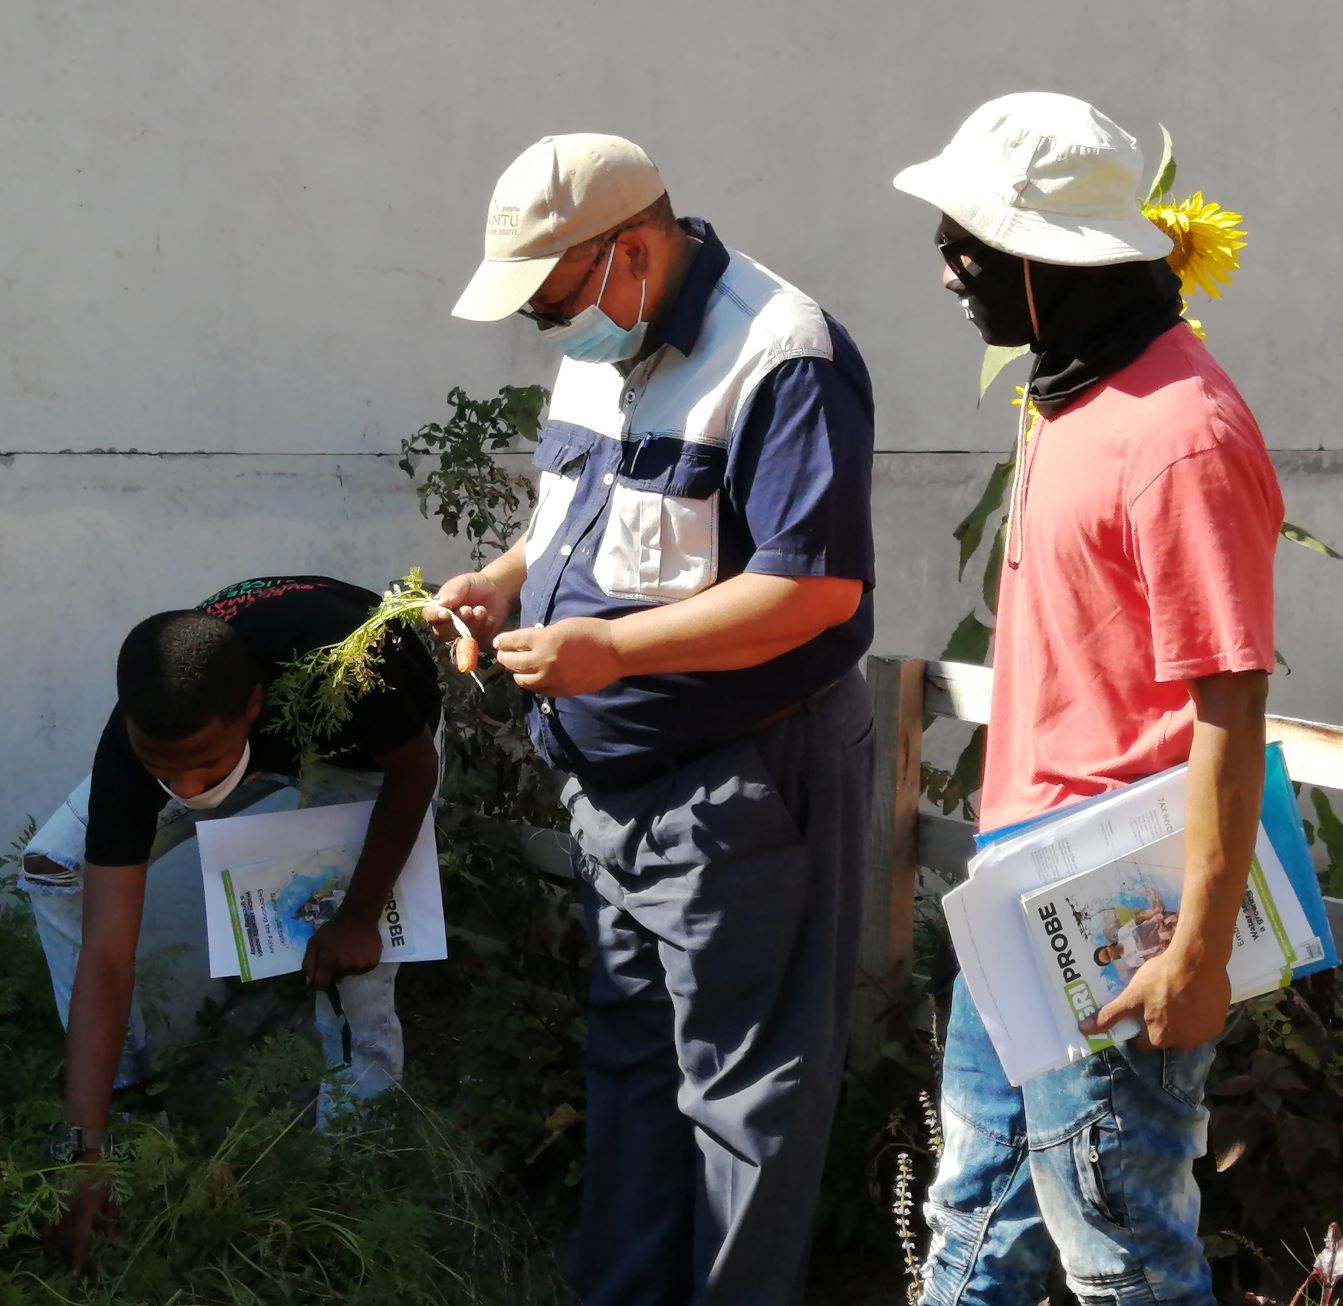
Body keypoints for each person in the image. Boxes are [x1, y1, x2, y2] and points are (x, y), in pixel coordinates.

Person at [430, 133, 876, 1305]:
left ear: (630, 249)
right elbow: (587, 514)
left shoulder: (783, 352)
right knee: (636, 1083)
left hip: (741, 786)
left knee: (747, 1104)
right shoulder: (603, 342)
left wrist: (610, 650)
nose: (548, 327)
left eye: (554, 298)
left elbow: (815, 589)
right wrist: (509, 575)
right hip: (619, 802)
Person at [893, 93, 1283, 1305]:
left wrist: (1199, 954)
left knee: (1122, 1254)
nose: (950, 266)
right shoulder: (1070, 390)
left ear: (1059, 264)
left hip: (1124, 915)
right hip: (1020, 894)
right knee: (971, 1225)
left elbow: (1229, 706)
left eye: (976, 245)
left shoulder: (1181, 434)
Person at [21, 574, 442, 1269]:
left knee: (352, 978)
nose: (186, 792)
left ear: (253, 707)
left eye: (203, 769)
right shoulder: (140, 748)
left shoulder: (356, 671)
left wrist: (360, 914)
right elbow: (107, 955)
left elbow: (414, 770)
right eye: (164, 770)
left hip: (368, 759)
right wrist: (83, 1150)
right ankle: (126, 1116)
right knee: (55, 866)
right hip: (253, 737)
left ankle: (350, 1191)